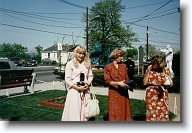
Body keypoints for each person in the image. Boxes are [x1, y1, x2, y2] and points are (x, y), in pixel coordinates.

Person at [61, 45, 93, 121]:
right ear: (75, 53)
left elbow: (90, 76)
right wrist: (77, 88)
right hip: (74, 91)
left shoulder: (87, 64)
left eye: (83, 54)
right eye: (79, 53)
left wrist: (87, 83)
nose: (81, 55)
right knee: (74, 111)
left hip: (85, 91)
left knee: (84, 111)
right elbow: (67, 79)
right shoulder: (70, 63)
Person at [104, 48, 131, 121]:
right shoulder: (108, 67)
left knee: (123, 109)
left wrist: (127, 83)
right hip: (114, 91)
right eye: (120, 56)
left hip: (123, 91)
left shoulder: (123, 66)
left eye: (122, 56)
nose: (121, 58)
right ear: (115, 56)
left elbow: (126, 78)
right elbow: (107, 81)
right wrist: (118, 83)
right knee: (114, 110)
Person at [143, 55, 174, 121]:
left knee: (162, 112)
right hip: (151, 94)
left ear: (160, 64)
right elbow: (145, 83)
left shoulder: (166, 70)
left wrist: (165, 85)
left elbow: (171, 83)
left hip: (162, 94)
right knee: (151, 113)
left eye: (155, 64)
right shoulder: (149, 69)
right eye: (152, 63)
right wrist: (148, 71)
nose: (153, 65)